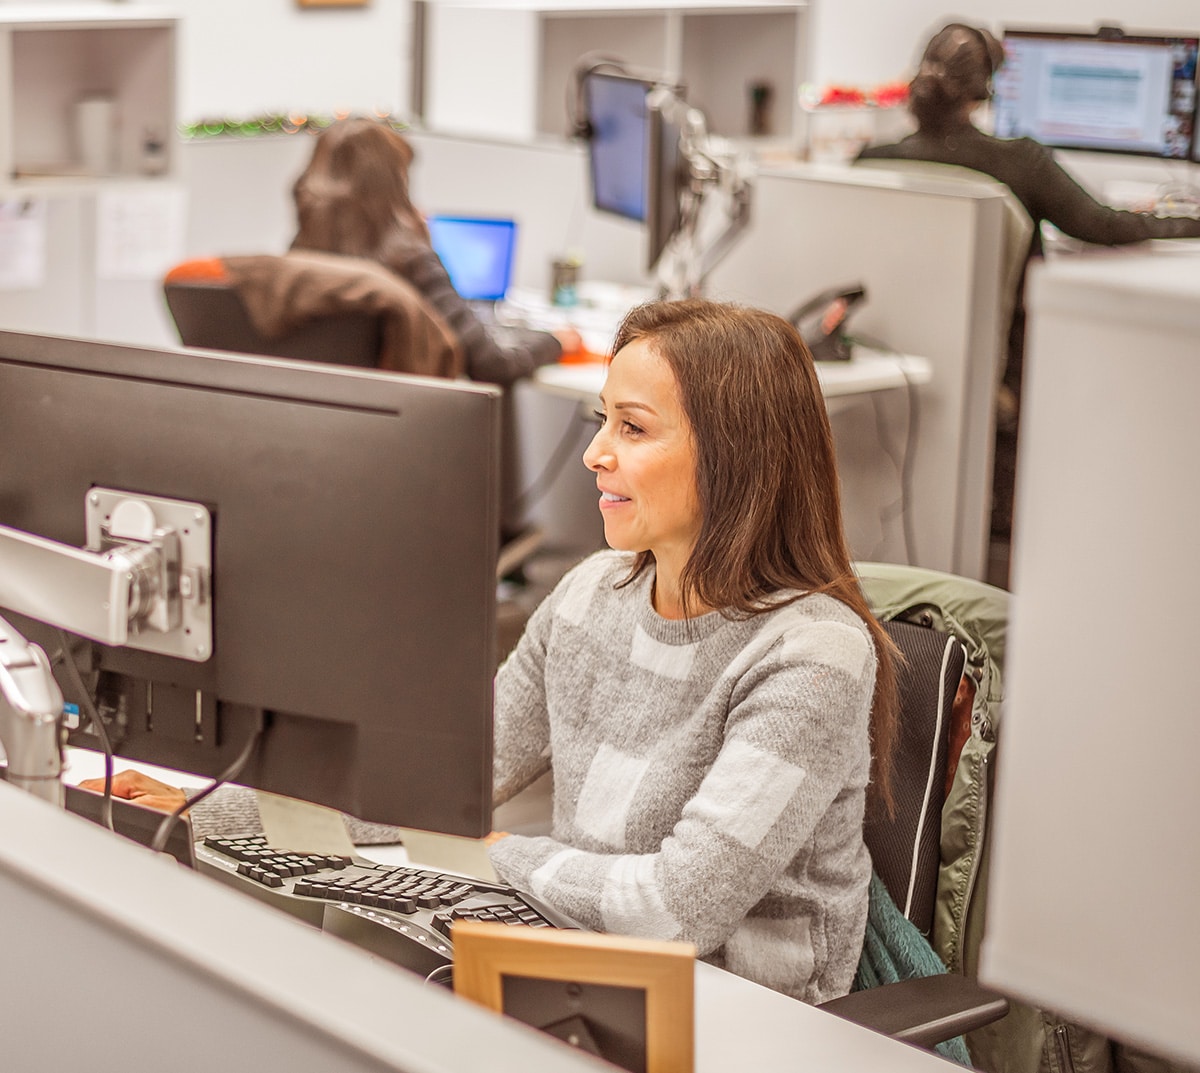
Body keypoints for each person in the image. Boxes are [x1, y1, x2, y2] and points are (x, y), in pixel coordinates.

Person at [85, 298, 899, 1005]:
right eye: (602, 421)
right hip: (589, 954)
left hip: (743, 1007)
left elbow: (677, 909)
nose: (594, 454)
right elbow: (443, 784)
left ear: (736, 455)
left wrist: (498, 856)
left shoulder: (813, 656)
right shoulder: (593, 593)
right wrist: (197, 806)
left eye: (633, 428)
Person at [856, 23, 1200, 544]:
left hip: (897, 363)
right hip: (995, 373)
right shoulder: (1019, 162)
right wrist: (1187, 221)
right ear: (984, 90)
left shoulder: (872, 163)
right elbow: (1104, 227)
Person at [289, 117, 576, 386]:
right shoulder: (410, 262)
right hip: (396, 424)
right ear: (394, 188)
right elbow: (492, 364)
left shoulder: (296, 262)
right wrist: (556, 341)